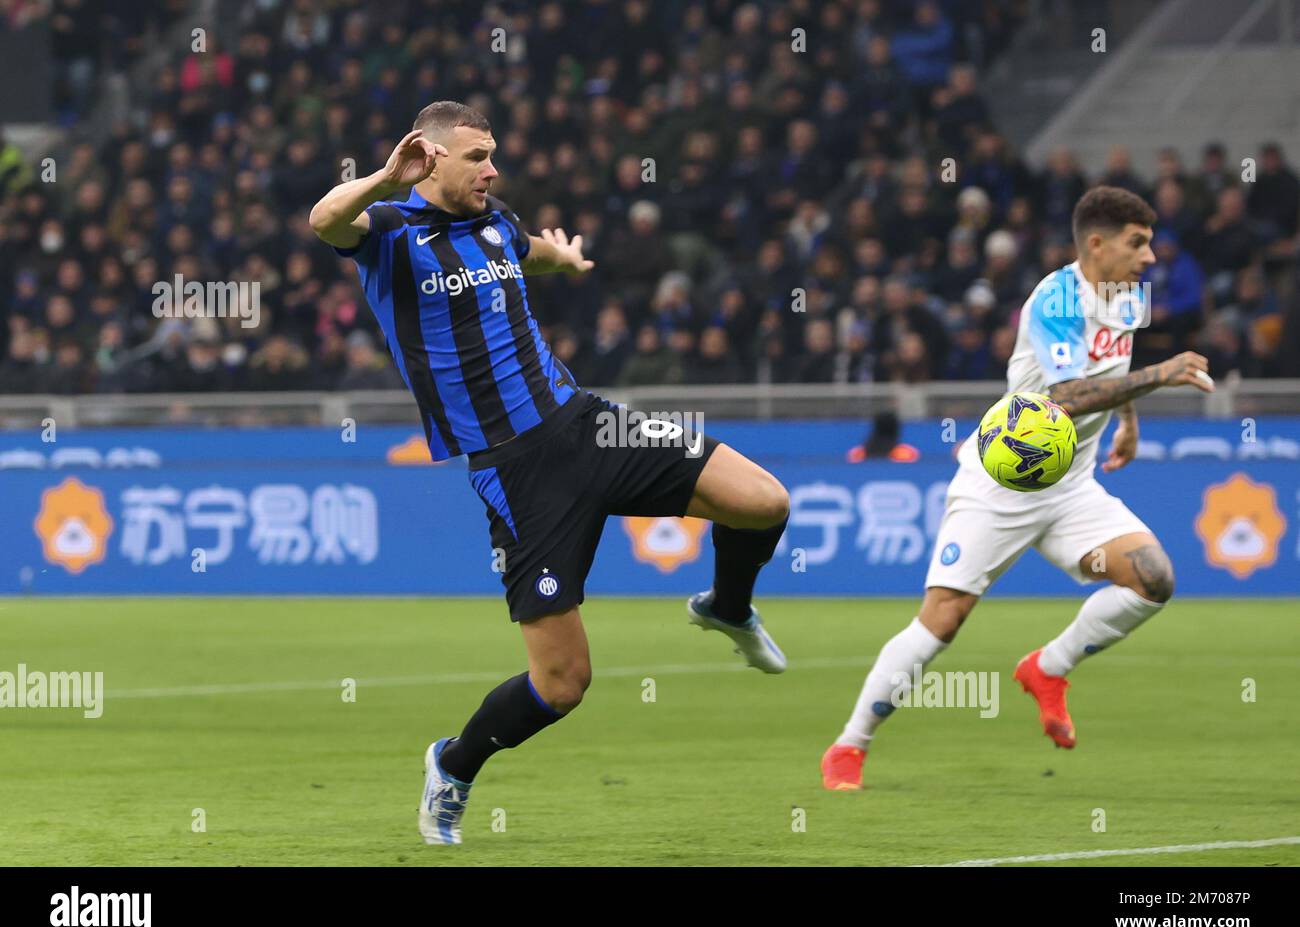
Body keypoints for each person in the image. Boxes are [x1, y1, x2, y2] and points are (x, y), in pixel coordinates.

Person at [309, 102, 790, 843]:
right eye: (476, 157)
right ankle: (455, 766)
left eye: (494, 154)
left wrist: (558, 257)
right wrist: (382, 175)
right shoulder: (391, 235)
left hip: (585, 422)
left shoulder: (496, 219)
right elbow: (324, 222)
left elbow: (518, 248)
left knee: (763, 502)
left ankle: (728, 606)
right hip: (516, 470)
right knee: (564, 686)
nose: (493, 168)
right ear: (429, 159)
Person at [821, 186, 1215, 789]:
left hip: (1071, 484)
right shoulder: (1055, 301)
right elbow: (1064, 396)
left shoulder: (1128, 292)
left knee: (1153, 578)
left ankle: (1048, 669)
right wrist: (1163, 375)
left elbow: (1115, 366)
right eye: (1138, 244)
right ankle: (849, 746)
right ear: (1097, 243)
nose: (1150, 258)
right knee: (943, 621)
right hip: (1003, 480)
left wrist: (1129, 424)